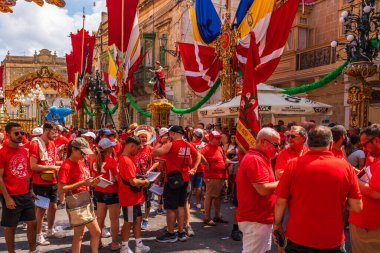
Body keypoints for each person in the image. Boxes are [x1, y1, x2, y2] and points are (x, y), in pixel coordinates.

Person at [274, 126, 363, 253]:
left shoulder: (292, 165)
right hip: (332, 239)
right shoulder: (345, 167)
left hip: (298, 237)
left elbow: (280, 202)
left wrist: (277, 225)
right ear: (331, 144)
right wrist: (340, 201)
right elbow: (357, 207)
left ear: (308, 143)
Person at [153, 125, 201, 243]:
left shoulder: (171, 145)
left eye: (169, 134)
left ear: (173, 134)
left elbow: (154, 152)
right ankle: (181, 232)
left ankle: (170, 233)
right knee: (180, 206)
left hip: (172, 180)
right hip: (184, 179)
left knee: (170, 208)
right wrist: (194, 168)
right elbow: (198, 155)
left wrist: (160, 141)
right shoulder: (188, 144)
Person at [236, 127, 280, 253]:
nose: (278, 148)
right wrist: (286, 181)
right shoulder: (255, 159)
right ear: (263, 142)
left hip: (259, 218)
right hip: (255, 219)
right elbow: (263, 189)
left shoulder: (261, 157)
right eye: (276, 144)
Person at [57, 138, 101, 253]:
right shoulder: (66, 166)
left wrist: (92, 183)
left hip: (85, 200)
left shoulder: (81, 162)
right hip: (77, 203)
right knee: (91, 233)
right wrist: (83, 183)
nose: (84, 155)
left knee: (82, 235)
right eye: (82, 152)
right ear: (73, 149)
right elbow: (61, 189)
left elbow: (83, 180)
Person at [0, 122, 38, 253]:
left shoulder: (23, 150)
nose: (20, 135)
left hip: (25, 194)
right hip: (11, 195)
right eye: (16, 133)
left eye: (21, 133)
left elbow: (26, 173)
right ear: (8, 134)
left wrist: (31, 190)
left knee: (33, 223)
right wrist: (7, 198)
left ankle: (33, 250)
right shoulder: (2, 153)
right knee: (11, 227)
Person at [29, 122, 63, 246]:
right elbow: (33, 166)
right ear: (47, 130)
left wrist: (61, 164)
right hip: (40, 182)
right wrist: (53, 167)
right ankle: (38, 235)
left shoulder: (52, 143)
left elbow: (51, 161)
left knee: (53, 207)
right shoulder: (35, 144)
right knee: (41, 210)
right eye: (54, 132)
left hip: (52, 180)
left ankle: (50, 230)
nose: (56, 134)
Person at [349, 124, 380, 252]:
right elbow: (367, 176)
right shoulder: (374, 156)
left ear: (376, 141)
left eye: (365, 144)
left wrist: (352, 178)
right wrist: (353, 171)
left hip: (370, 226)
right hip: (364, 222)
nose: (363, 148)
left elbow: (376, 193)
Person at [118, 135, 151, 253]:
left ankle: (139, 244)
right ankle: (124, 247)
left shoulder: (126, 159)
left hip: (134, 197)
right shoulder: (126, 160)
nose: (138, 151)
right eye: (137, 149)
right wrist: (145, 182)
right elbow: (133, 182)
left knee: (137, 220)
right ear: (132, 146)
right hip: (130, 197)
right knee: (129, 222)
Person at [91, 138, 120, 251]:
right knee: (114, 220)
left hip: (99, 191)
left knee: (100, 219)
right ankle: (113, 243)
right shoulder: (111, 161)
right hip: (111, 191)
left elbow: (94, 178)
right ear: (109, 148)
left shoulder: (95, 161)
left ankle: (97, 242)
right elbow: (117, 179)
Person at [201, 131, 228, 226]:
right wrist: (206, 163)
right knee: (210, 196)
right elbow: (198, 155)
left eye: (219, 138)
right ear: (211, 139)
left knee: (217, 197)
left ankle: (217, 216)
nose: (219, 140)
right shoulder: (207, 148)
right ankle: (207, 218)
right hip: (212, 176)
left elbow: (223, 158)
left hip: (221, 176)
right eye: (217, 138)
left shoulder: (219, 147)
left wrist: (226, 161)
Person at [189, 128, 206, 209]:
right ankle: (198, 203)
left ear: (195, 135)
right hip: (201, 167)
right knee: (198, 186)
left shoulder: (190, 144)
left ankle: (187, 202)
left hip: (192, 167)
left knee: (190, 186)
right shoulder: (204, 144)